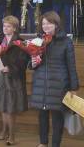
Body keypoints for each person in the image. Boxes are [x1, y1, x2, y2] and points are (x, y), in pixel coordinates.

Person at [30, 11, 79, 147]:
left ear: (56, 24)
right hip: (41, 84)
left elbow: (71, 66)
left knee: (57, 118)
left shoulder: (66, 42)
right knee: (42, 117)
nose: (45, 26)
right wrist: (33, 63)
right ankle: (43, 143)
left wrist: (74, 88)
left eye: (49, 23)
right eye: (43, 23)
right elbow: (32, 64)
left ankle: (55, 144)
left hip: (59, 86)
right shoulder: (38, 41)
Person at [0, 15, 29, 145]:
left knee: (10, 108)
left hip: (12, 79)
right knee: (2, 106)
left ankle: (12, 135)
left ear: (15, 28)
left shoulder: (20, 42)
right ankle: (4, 131)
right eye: (4, 26)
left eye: (8, 26)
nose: (5, 28)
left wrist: (10, 68)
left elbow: (23, 61)